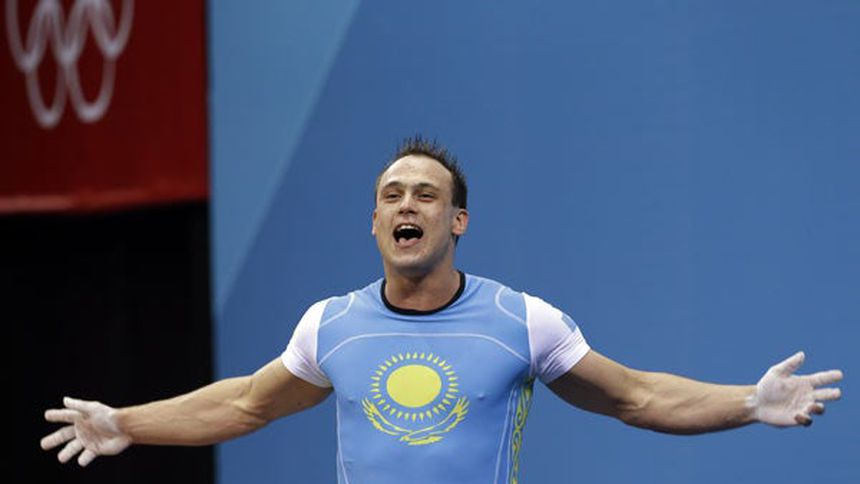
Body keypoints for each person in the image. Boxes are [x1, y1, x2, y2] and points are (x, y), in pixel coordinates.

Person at [42, 136, 844, 483]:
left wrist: (747, 403)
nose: (407, 204)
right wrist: (127, 423)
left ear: (457, 221)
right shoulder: (330, 326)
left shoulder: (523, 322)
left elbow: (636, 396)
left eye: (427, 195)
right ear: (374, 221)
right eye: (392, 194)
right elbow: (247, 404)